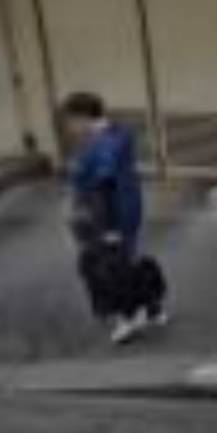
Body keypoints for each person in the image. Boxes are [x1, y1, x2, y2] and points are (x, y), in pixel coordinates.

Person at [62, 92, 166, 344]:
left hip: (108, 214)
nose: (69, 127)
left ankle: (126, 318)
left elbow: (104, 183)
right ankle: (151, 306)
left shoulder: (104, 142)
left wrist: (109, 226)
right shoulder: (111, 135)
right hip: (118, 209)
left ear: (83, 117)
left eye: (71, 121)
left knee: (106, 267)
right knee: (123, 260)